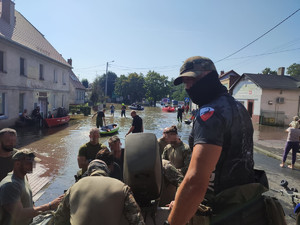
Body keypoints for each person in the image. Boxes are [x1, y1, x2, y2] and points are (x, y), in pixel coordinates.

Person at [167, 56, 271, 225]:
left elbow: (196, 182)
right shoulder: (239, 108)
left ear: (210, 76)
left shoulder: (209, 114)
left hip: (221, 212)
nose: (188, 87)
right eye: (185, 82)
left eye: (192, 79)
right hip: (247, 205)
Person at [50, 159, 145, 225]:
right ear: (106, 172)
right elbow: (136, 219)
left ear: (89, 172)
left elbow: (59, 219)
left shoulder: (74, 187)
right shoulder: (121, 187)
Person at [0, 149, 63, 225]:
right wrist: (49, 206)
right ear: (17, 164)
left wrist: (37, 209)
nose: (32, 166)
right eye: (29, 163)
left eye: (33, 163)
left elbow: (28, 200)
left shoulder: (24, 177)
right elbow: (19, 214)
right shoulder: (10, 185)